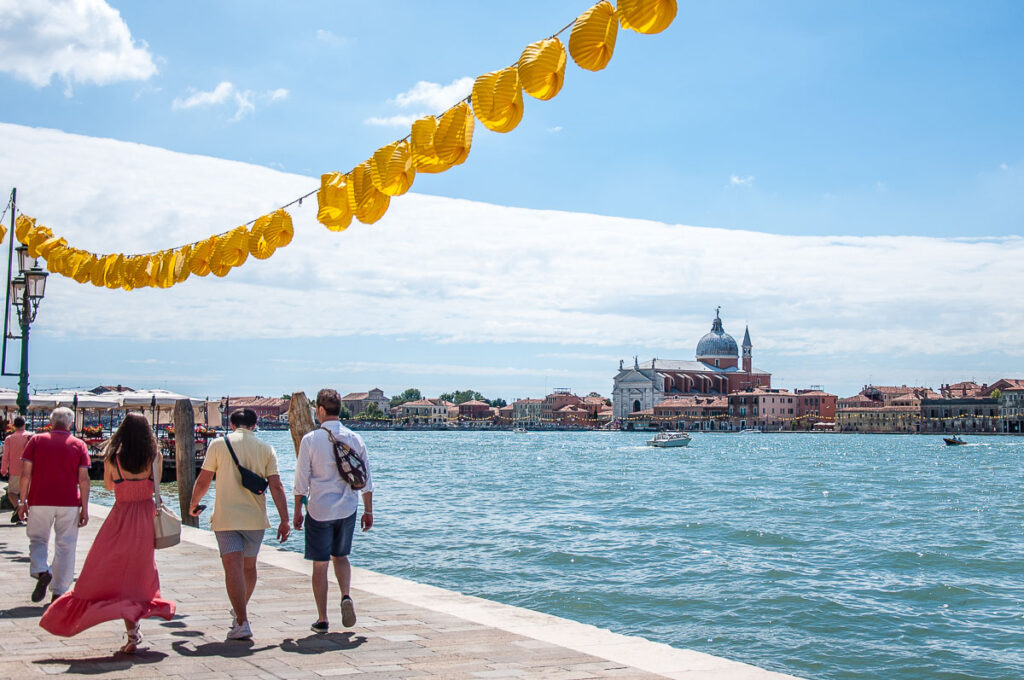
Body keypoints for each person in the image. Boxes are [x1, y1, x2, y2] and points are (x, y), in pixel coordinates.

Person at [39, 413, 175, 652]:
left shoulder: (114, 458)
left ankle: (131, 631)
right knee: (139, 572)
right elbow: (157, 485)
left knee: (104, 568)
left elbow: (110, 485)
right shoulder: (155, 457)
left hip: (120, 518)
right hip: (145, 518)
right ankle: (133, 633)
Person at [189, 408, 289, 640]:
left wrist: (194, 503)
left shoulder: (217, 445)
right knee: (249, 567)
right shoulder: (266, 449)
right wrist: (284, 519)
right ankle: (240, 612)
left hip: (226, 517)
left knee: (232, 568)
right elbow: (276, 485)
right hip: (255, 519)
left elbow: (204, 479)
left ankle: (242, 620)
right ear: (255, 425)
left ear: (232, 425)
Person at [293, 388, 374, 634]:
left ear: (319, 410)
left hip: (319, 510)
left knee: (320, 565)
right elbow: (366, 480)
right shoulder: (355, 439)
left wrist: (297, 509)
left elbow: (301, 480)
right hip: (348, 509)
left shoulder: (310, 440)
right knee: (341, 557)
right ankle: (346, 595)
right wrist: (368, 511)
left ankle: (322, 618)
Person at [17, 407, 90, 603]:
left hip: (40, 499)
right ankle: (58, 591)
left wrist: (21, 502)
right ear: (70, 423)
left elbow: (25, 475)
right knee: (66, 545)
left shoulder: (37, 441)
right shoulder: (79, 445)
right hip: (68, 502)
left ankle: (42, 571)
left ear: (51, 421)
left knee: (38, 539)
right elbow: (84, 479)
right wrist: (85, 508)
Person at [2, 416, 31, 524]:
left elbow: (6, 455)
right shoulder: (31, 436)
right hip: (29, 470)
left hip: (15, 470)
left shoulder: (9, 438)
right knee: (27, 494)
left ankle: (19, 508)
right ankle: (25, 514)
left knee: (11, 493)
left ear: (14, 426)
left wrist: (4, 469)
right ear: (24, 424)